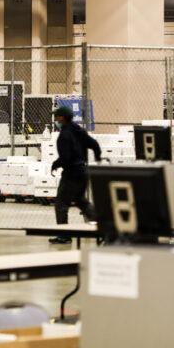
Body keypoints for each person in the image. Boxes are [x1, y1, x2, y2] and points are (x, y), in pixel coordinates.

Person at [49, 105, 102, 245]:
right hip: (83, 172)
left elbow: (66, 157)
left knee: (61, 203)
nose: (55, 119)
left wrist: (56, 164)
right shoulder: (79, 130)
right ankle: (103, 227)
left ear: (62, 118)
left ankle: (64, 236)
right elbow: (94, 144)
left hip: (71, 174)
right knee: (81, 201)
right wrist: (98, 159)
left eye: (57, 116)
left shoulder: (64, 135)